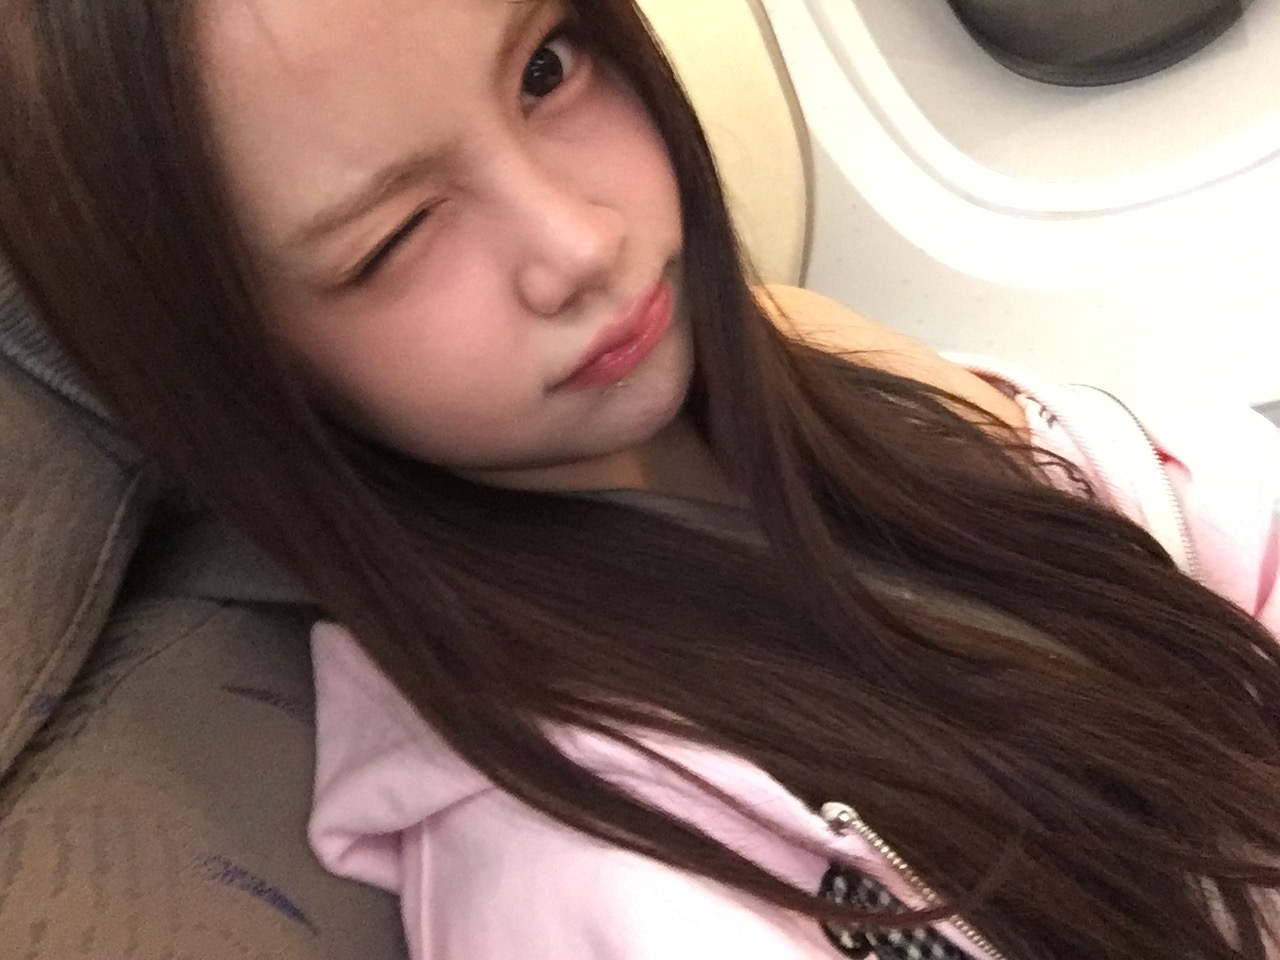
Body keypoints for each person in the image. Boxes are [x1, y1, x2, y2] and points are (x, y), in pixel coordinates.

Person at [3, 0, 1280, 958]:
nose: (578, 242)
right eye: (397, 236)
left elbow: (1185, 520)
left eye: (544, 69)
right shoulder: (590, 882)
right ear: (242, 364)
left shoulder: (787, 361)